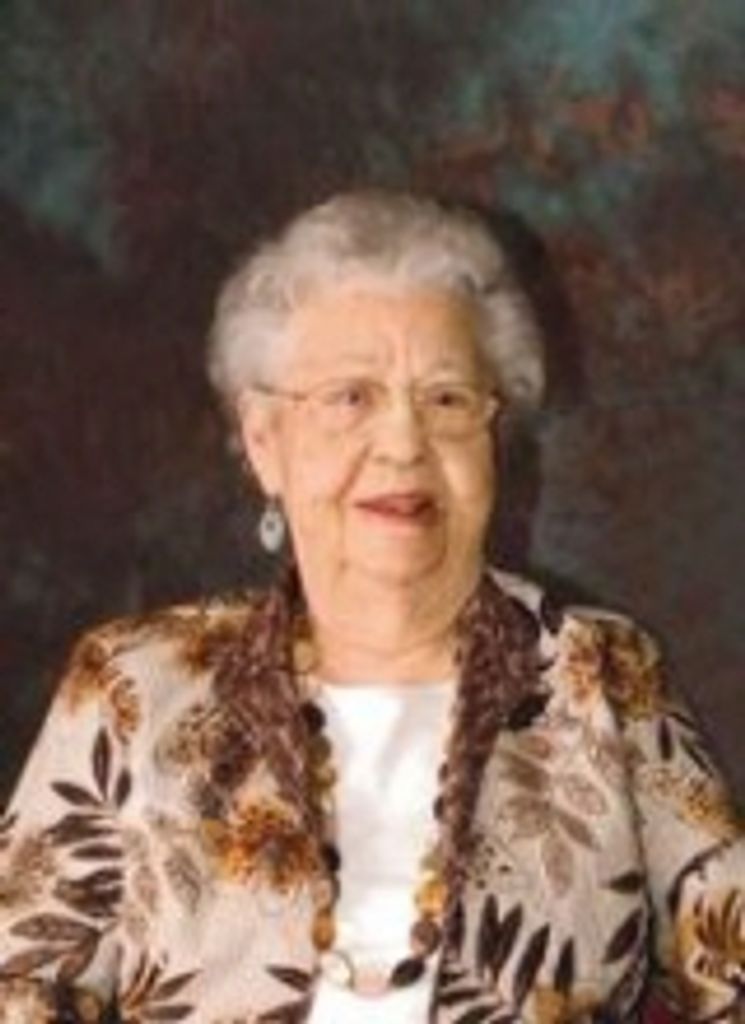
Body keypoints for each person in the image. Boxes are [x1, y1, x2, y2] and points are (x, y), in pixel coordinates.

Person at [0, 191, 742, 1024]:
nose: (401, 445)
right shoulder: (133, 689)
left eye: (446, 400)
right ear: (264, 442)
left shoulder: (602, 677)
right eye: (350, 397)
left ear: (494, 439)